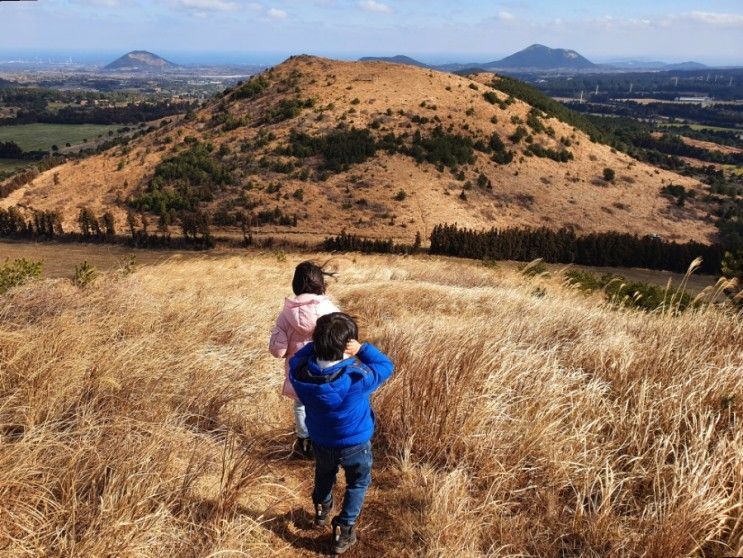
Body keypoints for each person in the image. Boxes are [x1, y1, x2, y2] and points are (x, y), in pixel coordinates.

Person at [289, 313, 394, 554]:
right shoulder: (357, 377)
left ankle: (321, 509)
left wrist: (313, 348)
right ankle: (344, 529)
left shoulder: (301, 376)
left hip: (321, 440)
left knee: (324, 474)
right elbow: (387, 366)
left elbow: (295, 359)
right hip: (356, 442)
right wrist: (363, 349)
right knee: (357, 483)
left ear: (316, 343)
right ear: (347, 346)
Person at [269, 261, 340, 458]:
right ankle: (327, 440)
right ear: (320, 283)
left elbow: (278, 351)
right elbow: (342, 340)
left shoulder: (285, 314)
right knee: (326, 403)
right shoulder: (330, 309)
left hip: (299, 372)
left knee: (301, 404)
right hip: (328, 370)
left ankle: (304, 441)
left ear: (296, 284)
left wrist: (277, 336)